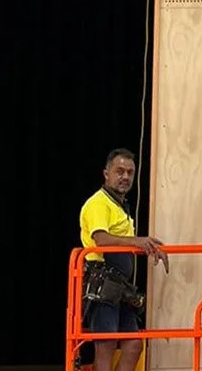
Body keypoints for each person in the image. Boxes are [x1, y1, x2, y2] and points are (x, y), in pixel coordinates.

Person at [79, 148, 169, 371]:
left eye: (130, 172)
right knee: (106, 346)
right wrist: (138, 242)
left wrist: (145, 246)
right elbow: (101, 239)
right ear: (106, 173)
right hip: (102, 284)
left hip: (120, 287)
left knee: (133, 344)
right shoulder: (99, 203)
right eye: (120, 171)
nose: (126, 177)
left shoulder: (119, 207)